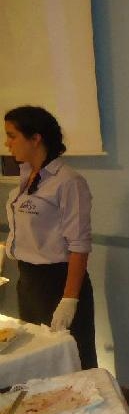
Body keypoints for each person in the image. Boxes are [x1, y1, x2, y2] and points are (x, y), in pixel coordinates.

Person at [4, 105, 97, 369]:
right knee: (37, 358)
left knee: (72, 360)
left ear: (35, 138)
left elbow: (79, 246)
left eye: (12, 136)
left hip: (59, 282)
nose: (7, 143)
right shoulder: (26, 177)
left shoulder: (68, 181)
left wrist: (69, 300)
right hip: (28, 282)